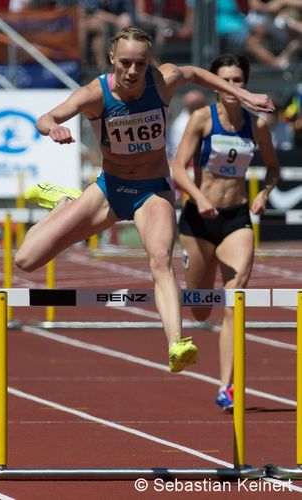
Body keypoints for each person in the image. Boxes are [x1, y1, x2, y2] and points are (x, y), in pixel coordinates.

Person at [15, 27, 275, 374]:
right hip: (108, 190)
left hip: (152, 191)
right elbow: (46, 118)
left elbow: (196, 73)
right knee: (26, 260)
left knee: (159, 258)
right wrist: (53, 128)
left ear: (149, 61)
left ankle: (177, 342)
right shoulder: (95, 94)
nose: (133, 71)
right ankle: (64, 202)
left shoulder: (161, 81)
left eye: (140, 63)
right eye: (125, 63)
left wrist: (244, 96)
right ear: (112, 60)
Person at [172, 53, 279, 406]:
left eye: (238, 80)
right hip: (198, 220)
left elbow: (273, 170)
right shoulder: (203, 119)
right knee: (200, 309)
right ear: (215, 85)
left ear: (246, 83)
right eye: (226, 81)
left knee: (235, 300)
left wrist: (264, 192)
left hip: (235, 220)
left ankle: (226, 387)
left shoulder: (257, 126)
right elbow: (178, 169)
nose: (232, 87)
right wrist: (199, 197)